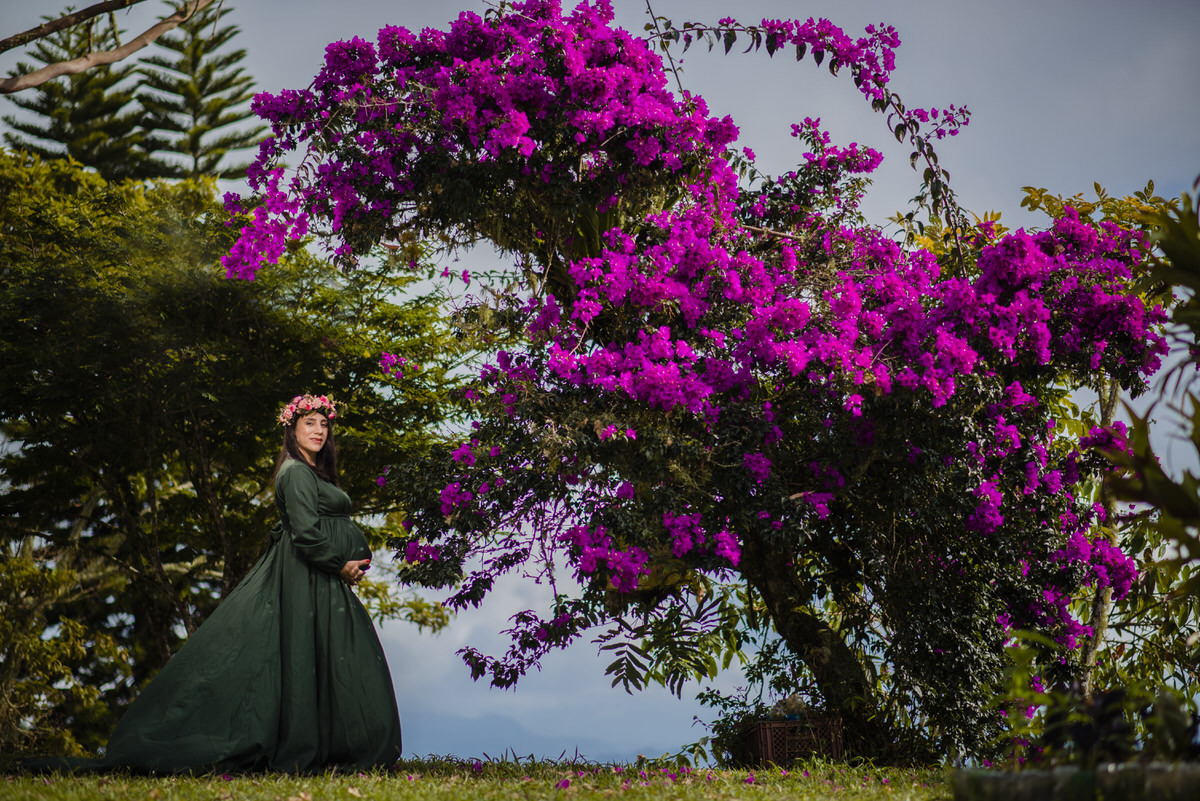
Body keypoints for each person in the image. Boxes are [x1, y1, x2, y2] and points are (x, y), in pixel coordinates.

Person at [51, 394, 403, 773]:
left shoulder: (310, 471)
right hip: (310, 576)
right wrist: (339, 565)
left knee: (319, 658)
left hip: (317, 579)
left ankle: (323, 743)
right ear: (292, 429)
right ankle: (306, 745)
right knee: (306, 658)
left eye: (323, 424)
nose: (319, 430)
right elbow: (304, 533)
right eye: (309, 423)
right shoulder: (297, 472)